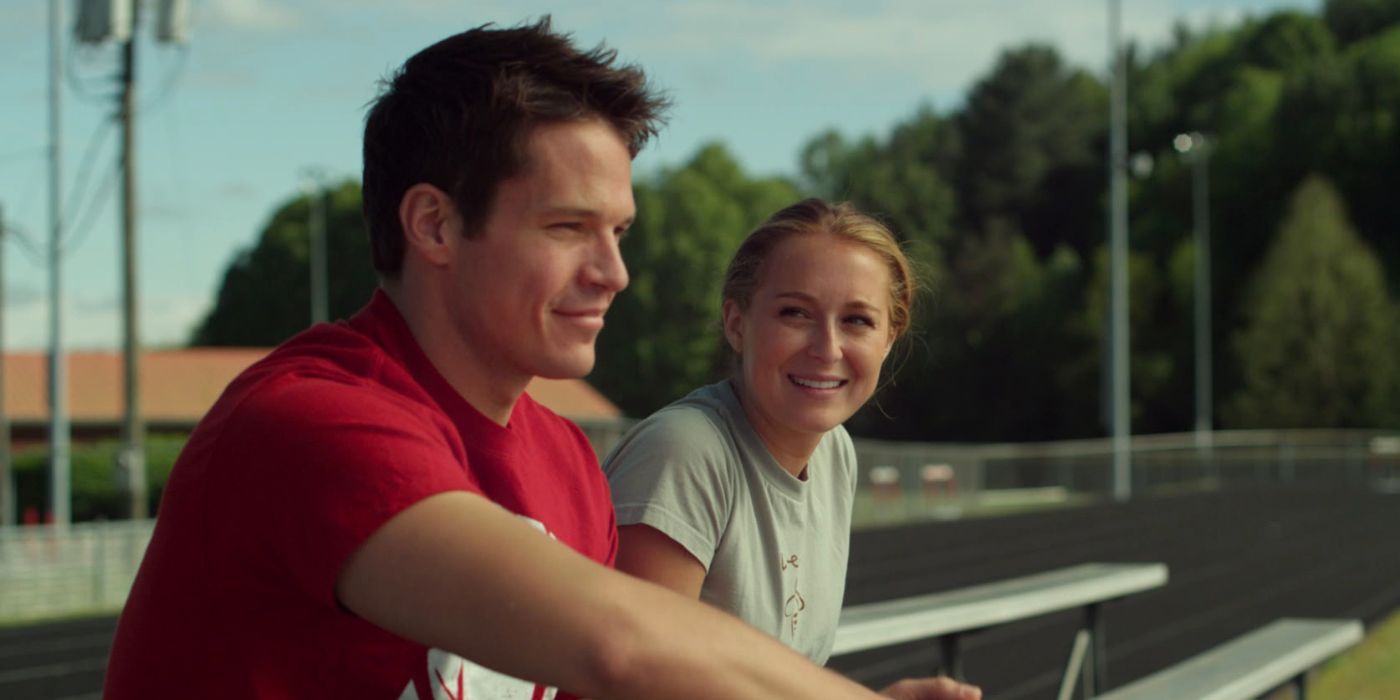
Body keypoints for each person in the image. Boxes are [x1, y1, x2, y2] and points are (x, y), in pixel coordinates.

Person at [104, 18, 979, 700]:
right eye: (568, 228)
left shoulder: (562, 458)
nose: (614, 272)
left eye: (618, 232)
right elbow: (619, 644)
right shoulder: (308, 422)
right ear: (435, 224)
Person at [604, 199, 954, 675]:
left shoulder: (835, 453)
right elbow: (638, 683)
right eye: (796, 313)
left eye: (857, 320)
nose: (827, 348)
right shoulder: (684, 452)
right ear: (736, 323)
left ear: (890, 338)